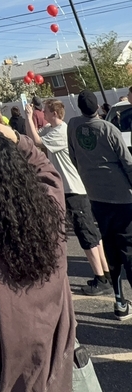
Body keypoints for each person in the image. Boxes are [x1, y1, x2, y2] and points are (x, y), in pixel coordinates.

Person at [0, 123, 75, 392]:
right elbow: (49, 174)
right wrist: (19, 140)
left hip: (11, 376)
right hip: (57, 369)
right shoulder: (50, 212)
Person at [25, 100, 110, 295]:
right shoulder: (52, 129)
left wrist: (29, 117)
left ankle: (101, 277)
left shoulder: (61, 131)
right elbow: (33, 137)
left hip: (74, 190)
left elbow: (37, 143)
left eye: (45, 110)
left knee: (87, 235)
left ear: (54, 112)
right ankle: (106, 273)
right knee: (91, 234)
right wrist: (31, 119)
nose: (42, 113)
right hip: (71, 190)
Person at [67, 90, 132, 319]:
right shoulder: (108, 129)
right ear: (97, 107)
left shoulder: (73, 125)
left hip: (96, 196)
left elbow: (73, 156)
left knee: (111, 249)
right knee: (129, 250)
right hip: (121, 197)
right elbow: (127, 162)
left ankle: (119, 302)